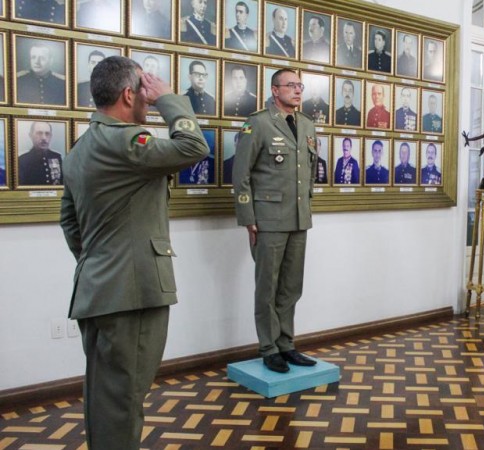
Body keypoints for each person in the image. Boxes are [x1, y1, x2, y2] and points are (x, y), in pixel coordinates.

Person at [59, 55, 209, 450]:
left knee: (105, 399)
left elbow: (70, 224)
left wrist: (102, 263)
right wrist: (169, 100)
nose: (148, 99)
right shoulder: (125, 141)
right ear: (129, 94)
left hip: (98, 290)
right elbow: (194, 145)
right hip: (133, 293)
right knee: (124, 401)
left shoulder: (79, 149)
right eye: (144, 91)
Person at [232, 68, 318, 374]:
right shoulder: (257, 124)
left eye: (300, 85)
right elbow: (241, 176)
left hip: (298, 219)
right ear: (274, 89)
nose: (297, 90)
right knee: (267, 287)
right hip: (267, 220)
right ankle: (268, 348)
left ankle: (286, 344)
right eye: (291, 85)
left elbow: (307, 174)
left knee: (291, 287)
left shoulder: (306, 124)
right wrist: (248, 218)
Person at [18, 121, 63, 186]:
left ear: (51, 136)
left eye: (47, 134)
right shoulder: (23, 160)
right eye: (39, 133)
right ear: (31, 135)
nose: (44, 138)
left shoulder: (57, 157)